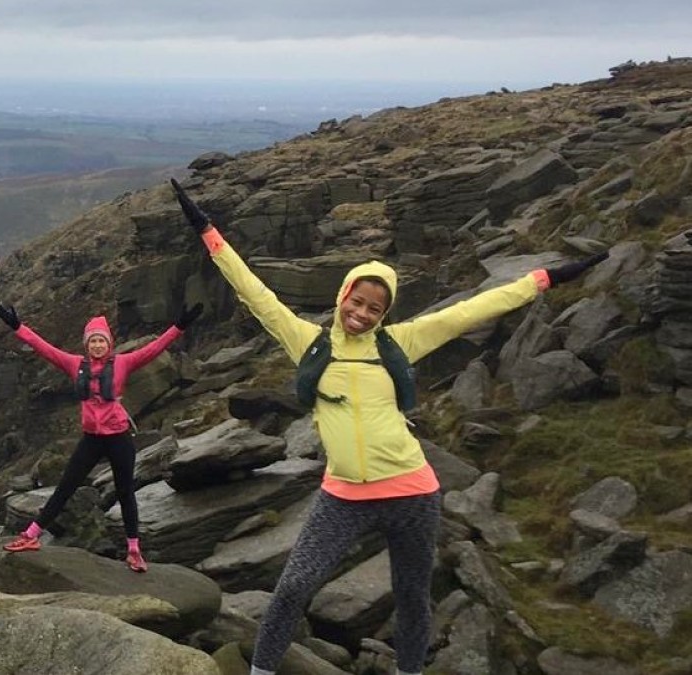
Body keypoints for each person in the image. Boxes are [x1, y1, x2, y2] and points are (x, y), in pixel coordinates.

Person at [170, 179, 606, 675]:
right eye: (356, 302)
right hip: (343, 497)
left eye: (374, 308)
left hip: (413, 493)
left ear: (384, 313)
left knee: (412, 596)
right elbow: (254, 291)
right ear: (343, 296)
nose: (361, 313)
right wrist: (207, 231)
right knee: (292, 588)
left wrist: (549, 278)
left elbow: (476, 308)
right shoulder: (308, 343)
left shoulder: (400, 343)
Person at [0, 302, 202, 572]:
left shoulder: (123, 363)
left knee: (126, 492)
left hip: (119, 437)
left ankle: (134, 551)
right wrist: (17, 327)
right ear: (87, 345)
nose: (98, 345)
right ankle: (31, 535)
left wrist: (179, 326)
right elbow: (45, 349)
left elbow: (154, 349)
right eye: (93, 341)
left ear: (109, 343)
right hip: (92, 439)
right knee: (66, 486)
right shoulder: (75, 364)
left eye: (102, 341)